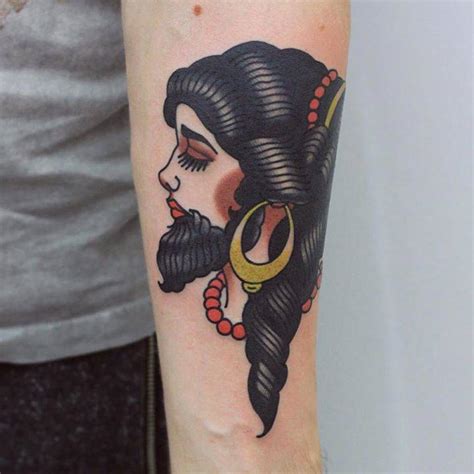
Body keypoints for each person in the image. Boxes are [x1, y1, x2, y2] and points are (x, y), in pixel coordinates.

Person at [1, 0, 350, 472]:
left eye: (194, 155)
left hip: (74, 365)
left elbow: (239, 450)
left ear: (267, 186)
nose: (167, 175)